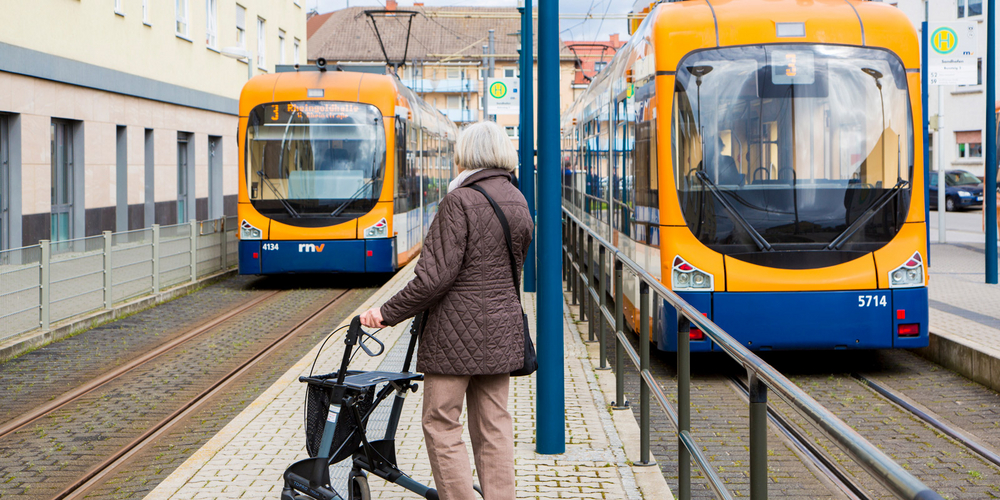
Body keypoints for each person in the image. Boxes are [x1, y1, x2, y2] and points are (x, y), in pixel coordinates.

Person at [360, 120, 532, 500]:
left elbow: (432, 280)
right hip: (502, 332)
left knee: (440, 422)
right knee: (494, 426)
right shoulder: (517, 199)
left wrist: (385, 313)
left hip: (454, 337)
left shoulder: (459, 201)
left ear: (466, 155)